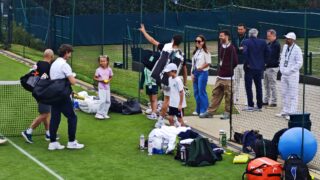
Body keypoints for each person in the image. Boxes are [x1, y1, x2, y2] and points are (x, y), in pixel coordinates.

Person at [139, 24, 187, 128]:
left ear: (173, 40)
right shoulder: (181, 55)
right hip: (175, 80)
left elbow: (152, 40)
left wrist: (144, 31)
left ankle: (161, 121)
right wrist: (185, 82)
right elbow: (184, 69)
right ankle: (174, 119)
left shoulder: (166, 47)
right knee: (172, 99)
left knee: (167, 100)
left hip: (162, 79)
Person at [48, 44, 84, 150]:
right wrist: (73, 76)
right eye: (70, 53)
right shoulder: (64, 65)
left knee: (55, 118)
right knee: (72, 117)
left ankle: (53, 143)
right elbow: (73, 82)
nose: (70, 55)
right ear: (66, 52)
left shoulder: (54, 63)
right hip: (62, 95)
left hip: (53, 95)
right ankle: (71, 142)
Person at [200, 30, 238, 119]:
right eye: (219, 36)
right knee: (215, 94)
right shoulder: (221, 46)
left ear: (227, 36)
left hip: (228, 77)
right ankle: (210, 112)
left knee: (228, 96)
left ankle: (227, 113)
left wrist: (228, 68)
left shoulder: (232, 48)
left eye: (222, 36)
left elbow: (235, 62)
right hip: (220, 76)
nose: (220, 37)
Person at [22, 49, 55, 143]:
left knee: (46, 112)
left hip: (37, 92)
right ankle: (28, 132)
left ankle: (48, 133)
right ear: (51, 57)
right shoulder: (48, 67)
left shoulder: (38, 64)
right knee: (44, 114)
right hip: (43, 93)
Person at [242, 28, 270, 112]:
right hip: (259, 68)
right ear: (256, 34)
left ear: (249, 34)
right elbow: (268, 52)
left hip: (249, 68)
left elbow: (245, 53)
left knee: (248, 87)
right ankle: (259, 105)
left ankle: (250, 105)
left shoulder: (246, 42)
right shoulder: (263, 42)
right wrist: (264, 62)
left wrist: (248, 63)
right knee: (259, 87)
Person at [276, 32, 303, 120]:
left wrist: (290, 71)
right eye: (286, 38)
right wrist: (281, 68)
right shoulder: (284, 47)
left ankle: (292, 113)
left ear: (292, 40)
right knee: (284, 93)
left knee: (293, 94)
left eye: (288, 38)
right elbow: (282, 58)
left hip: (292, 75)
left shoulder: (297, 49)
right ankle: (285, 110)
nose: (286, 40)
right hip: (284, 74)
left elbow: (299, 63)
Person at [191, 35, 211, 116]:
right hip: (195, 72)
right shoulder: (196, 52)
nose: (197, 43)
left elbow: (208, 63)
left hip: (202, 72)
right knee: (196, 91)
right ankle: (198, 109)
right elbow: (193, 64)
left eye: (199, 41)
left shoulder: (205, 52)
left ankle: (204, 110)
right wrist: (192, 73)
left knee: (201, 91)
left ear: (203, 42)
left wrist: (201, 67)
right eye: (196, 41)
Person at [263, 29, 281, 107]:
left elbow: (271, 56)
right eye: (267, 36)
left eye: (269, 36)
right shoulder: (269, 43)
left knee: (272, 85)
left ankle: (274, 101)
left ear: (274, 36)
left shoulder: (276, 44)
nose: (267, 37)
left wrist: (265, 63)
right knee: (266, 85)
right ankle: (266, 100)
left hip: (272, 68)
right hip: (266, 68)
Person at [94, 55, 113, 120]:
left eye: (104, 61)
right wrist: (101, 80)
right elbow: (95, 78)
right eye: (101, 61)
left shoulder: (109, 69)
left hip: (107, 87)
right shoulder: (98, 70)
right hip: (101, 87)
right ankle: (98, 114)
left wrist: (108, 81)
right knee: (102, 100)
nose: (102, 62)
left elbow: (110, 76)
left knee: (108, 101)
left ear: (107, 61)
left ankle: (104, 113)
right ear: (99, 62)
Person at [233, 23, 247, 104]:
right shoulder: (235, 39)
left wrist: (241, 49)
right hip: (236, 63)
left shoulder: (247, 39)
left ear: (245, 30)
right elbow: (234, 49)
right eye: (238, 29)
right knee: (235, 82)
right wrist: (240, 49)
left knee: (246, 81)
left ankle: (246, 99)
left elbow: (246, 49)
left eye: (241, 29)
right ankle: (235, 98)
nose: (240, 30)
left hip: (244, 63)